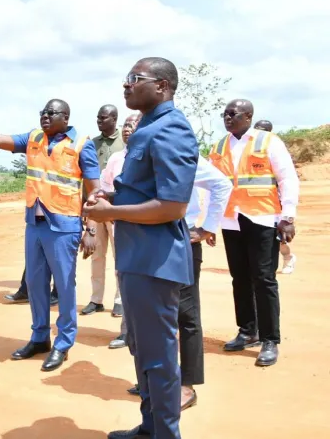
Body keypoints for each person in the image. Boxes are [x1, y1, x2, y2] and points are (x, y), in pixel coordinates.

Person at [0, 98, 100, 372]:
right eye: (42, 113)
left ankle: (63, 342)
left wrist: (92, 228)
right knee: (36, 284)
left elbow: (94, 190)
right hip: (35, 225)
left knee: (65, 287)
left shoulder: (82, 144)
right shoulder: (33, 138)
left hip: (64, 226)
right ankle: (39, 337)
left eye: (51, 113)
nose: (45, 117)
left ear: (66, 117)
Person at [84, 57, 199, 439]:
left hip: (155, 262)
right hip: (137, 258)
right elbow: (145, 192)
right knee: (143, 350)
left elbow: (172, 205)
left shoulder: (171, 129)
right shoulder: (148, 127)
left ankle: (166, 434)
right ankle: (151, 427)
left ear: (163, 86)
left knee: (160, 357)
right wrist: (111, 196)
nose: (126, 85)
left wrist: (110, 211)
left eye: (135, 79)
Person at [126, 155, 233, 410]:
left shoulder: (183, 155)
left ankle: (187, 385)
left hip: (180, 240)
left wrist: (208, 227)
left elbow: (222, 185)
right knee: (153, 315)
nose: (133, 129)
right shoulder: (132, 158)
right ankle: (156, 379)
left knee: (186, 314)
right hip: (146, 243)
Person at [210, 101, 299, 367]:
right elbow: (212, 186)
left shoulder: (268, 141)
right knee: (239, 278)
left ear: (248, 116)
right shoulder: (219, 146)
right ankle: (248, 330)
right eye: (224, 114)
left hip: (262, 217)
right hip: (231, 220)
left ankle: (270, 339)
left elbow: (287, 178)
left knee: (263, 278)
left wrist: (288, 217)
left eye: (232, 114)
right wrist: (209, 222)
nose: (227, 118)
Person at [99, 113, 141, 350]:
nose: (128, 129)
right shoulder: (116, 158)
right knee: (124, 276)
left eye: (133, 125)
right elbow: (104, 191)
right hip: (121, 227)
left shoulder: (151, 155)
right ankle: (127, 331)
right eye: (125, 125)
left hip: (148, 228)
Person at [83, 104, 125, 317]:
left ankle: (119, 299)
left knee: (120, 255)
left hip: (116, 206)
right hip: (96, 206)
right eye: (98, 117)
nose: (99, 121)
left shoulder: (123, 142)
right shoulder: (92, 144)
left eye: (103, 117)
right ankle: (96, 299)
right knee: (97, 254)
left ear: (114, 119)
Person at [253, 119, 297, 274]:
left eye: (263, 129)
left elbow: (286, 178)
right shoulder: (250, 148)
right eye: (257, 128)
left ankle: (288, 258)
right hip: (258, 203)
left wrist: (287, 210)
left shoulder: (275, 146)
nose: (259, 131)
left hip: (276, 201)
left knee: (280, 238)